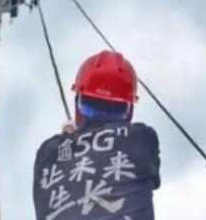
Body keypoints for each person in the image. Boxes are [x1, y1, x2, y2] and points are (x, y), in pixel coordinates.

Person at [33, 50, 161, 220]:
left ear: (78, 102)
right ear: (129, 109)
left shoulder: (48, 151)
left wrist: (68, 137)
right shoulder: (143, 138)